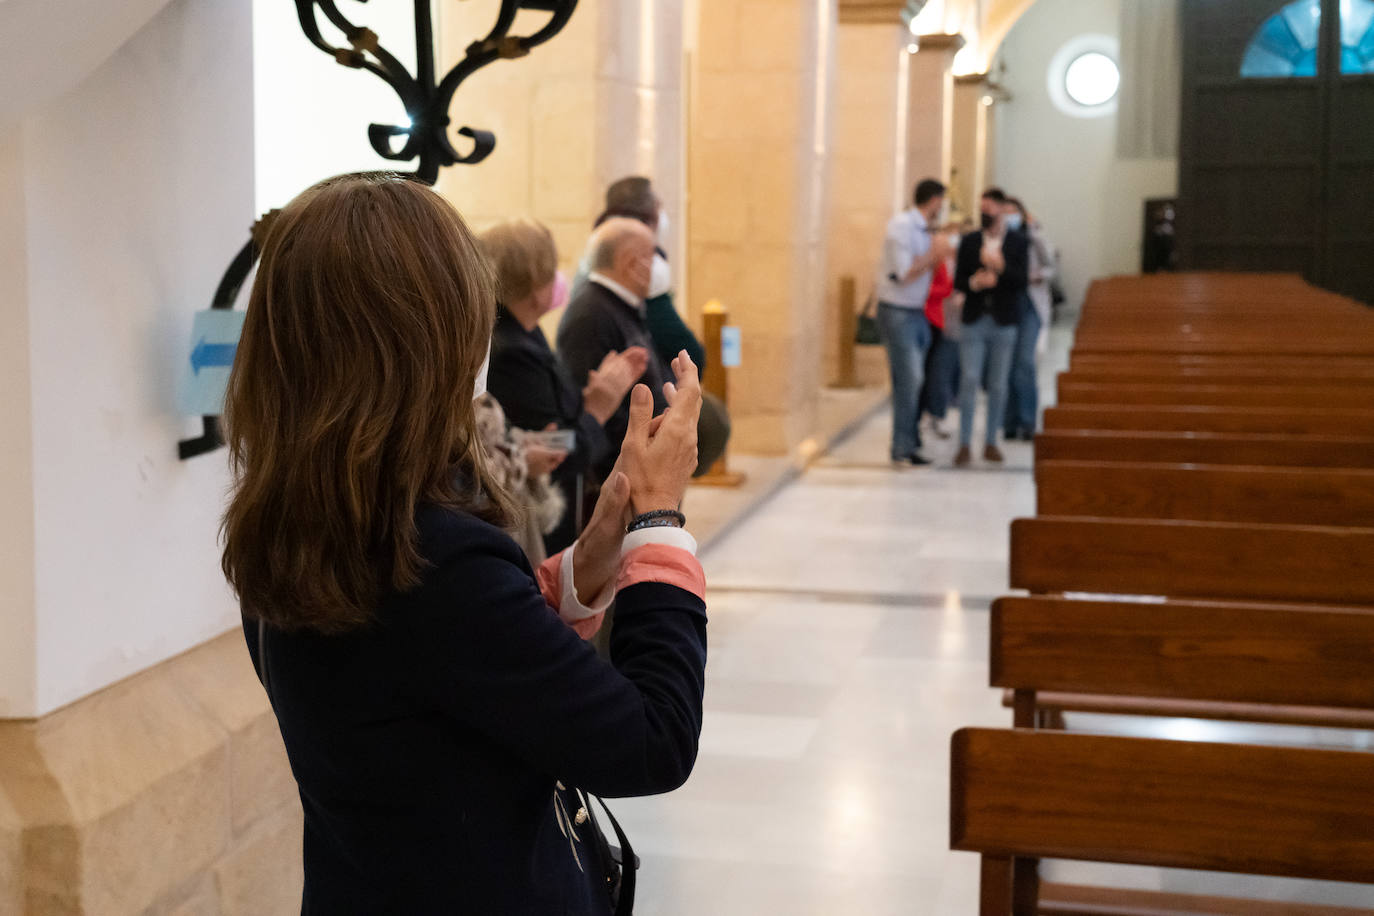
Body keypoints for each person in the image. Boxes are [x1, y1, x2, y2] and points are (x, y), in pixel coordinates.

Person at [221, 172, 708, 914]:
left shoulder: (298, 517)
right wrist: (659, 523)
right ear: (424, 344)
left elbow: (454, 664)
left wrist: (598, 547)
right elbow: (650, 739)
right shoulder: (436, 560)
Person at [479, 218, 647, 554]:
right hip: (537, 525)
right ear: (533, 284)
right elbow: (552, 449)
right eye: (550, 270)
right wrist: (598, 411)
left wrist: (585, 403)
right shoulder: (510, 350)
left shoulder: (525, 331)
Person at [558, 217, 674, 482]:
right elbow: (597, 411)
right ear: (628, 262)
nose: (657, 265)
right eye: (651, 255)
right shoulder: (591, 316)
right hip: (623, 477)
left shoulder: (620, 305)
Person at [874, 178, 955, 467]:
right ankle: (900, 448)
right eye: (941, 203)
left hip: (916, 311)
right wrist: (934, 255)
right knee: (910, 380)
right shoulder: (901, 227)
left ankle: (910, 444)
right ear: (934, 201)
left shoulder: (925, 230)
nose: (942, 209)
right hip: (897, 311)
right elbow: (904, 272)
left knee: (916, 381)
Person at [952, 187, 1029, 467]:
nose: (983, 213)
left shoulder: (1018, 242)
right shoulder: (971, 241)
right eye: (981, 208)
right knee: (969, 379)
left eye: (988, 209)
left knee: (997, 383)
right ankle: (963, 443)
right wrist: (975, 282)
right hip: (974, 318)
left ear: (1000, 209)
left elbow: (1021, 281)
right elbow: (959, 279)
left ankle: (991, 442)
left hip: (1003, 319)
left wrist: (1002, 269)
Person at [1002, 198, 1055, 441]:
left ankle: (1027, 421)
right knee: (1008, 365)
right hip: (1007, 304)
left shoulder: (1034, 236)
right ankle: (1009, 422)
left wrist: (1037, 275)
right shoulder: (998, 237)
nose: (1009, 216)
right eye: (1005, 212)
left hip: (1031, 304)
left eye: (1014, 212)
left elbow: (1051, 266)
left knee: (1024, 361)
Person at [918, 254, 961, 440]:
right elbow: (928, 290)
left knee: (940, 373)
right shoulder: (933, 262)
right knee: (932, 373)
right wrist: (949, 288)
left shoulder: (945, 264)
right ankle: (927, 416)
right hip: (930, 320)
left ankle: (936, 414)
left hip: (943, 322)